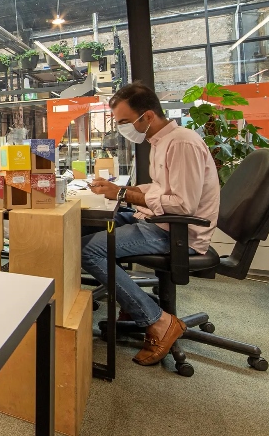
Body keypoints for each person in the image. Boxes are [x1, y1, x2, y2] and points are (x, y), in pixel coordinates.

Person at [84, 83, 220, 366]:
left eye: (124, 121)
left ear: (147, 116)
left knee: (88, 250)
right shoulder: (161, 141)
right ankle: (131, 303)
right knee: (90, 227)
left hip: (177, 231)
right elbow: (161, 190)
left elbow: (182, 205)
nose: (122, 128)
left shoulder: (181, 143)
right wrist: (122, 190)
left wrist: (122, 194)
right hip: (156, 220)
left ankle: (157, 320)